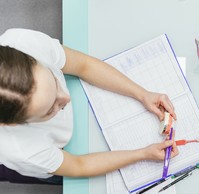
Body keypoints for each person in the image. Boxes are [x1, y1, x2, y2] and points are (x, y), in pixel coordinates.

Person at [0, 28, 178, 184]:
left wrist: (143, 94)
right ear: (13, 124)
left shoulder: (23, 43)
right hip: (52, 159)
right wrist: (143, 154)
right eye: (49, 110)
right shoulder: (22, 151)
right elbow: (79, 166)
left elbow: (84, 66)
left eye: (54, 81)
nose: (66, 97)